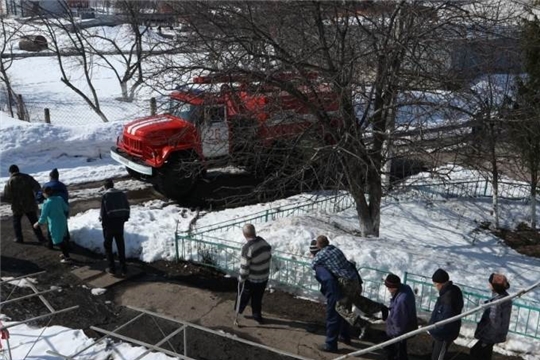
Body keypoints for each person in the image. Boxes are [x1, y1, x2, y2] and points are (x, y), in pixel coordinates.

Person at [311, 235, 387, 329]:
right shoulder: (335, 249)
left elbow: (313, 264)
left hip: (346, 282)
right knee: (357, 300)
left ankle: (361, 324)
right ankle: (380, 307)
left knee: (340, 307)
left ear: (319, 245)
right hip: (355, 279)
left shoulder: (321, 254)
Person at [310, 240, 351, 353]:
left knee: (333, 317)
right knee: (345, 312)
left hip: (337, 291)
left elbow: (328, 280)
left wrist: (336, 298)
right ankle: (344, 336)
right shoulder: (334, 255)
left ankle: (330, 344)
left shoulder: (320, 266)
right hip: (350, 286)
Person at [470, 273, 512, 360]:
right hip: (494, 335)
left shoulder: (496, 303)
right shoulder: (504, 296)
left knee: (476, 353)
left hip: (489, 336)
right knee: (485, 354)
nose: (488, 285)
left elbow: (494, 323)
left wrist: (486, 339)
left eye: (490, 283)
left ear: (494, 286)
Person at [3, 164, 47, 244]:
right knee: (34, 221)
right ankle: (41, 238)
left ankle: (19, 238)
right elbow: (37, 186)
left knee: (17, 222)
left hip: (17, 206)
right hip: (29, 204)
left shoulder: (10, 181)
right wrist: (37, 196)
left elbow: (7, 195)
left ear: (10, 172)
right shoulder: (27, 177)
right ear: (18, 170)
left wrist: (12, 201)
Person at [237, 224, 272, 324]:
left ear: (244, 234)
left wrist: (241, 279)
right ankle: (257, 316)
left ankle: (238, 310)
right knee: (257, 298)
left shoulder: (248, 248)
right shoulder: (263, 242)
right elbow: (268, 256)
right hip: (263, 277)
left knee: (244, 294)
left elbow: (244, 267)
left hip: (252, 279)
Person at [428, 268, 464, 360]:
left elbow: (445, 320)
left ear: (440, 283)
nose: (435, 286)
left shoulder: (448, 297)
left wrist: (434, 330)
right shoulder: (452, 291)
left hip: (444, 334)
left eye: (435, 284)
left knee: (438, 357)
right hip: (443, 333)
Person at [384, 274, 418, 360]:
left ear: (394, 287)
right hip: (405, 327)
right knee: (400, 351)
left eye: (388, 287)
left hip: (399, 332)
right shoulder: (405, 288)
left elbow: (399, 321)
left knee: (398, 353)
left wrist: (392, 334)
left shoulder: (401, 301)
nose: (388, 289)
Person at [100, 179, 130, 276]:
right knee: (120, 244)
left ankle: (112, 268)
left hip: (109, 224)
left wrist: (103, 224)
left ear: (105, 187)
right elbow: (127, 207)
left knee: (108, 246)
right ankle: (124, 268)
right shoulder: (122, 194)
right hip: (119, 223)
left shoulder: (105, 196)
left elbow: (103, 213)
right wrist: (124, 219)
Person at [34, 186, 71, 263]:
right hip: (62, 221)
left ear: (45, 194)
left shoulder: (47, 204)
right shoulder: (59, 199)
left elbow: (43, 216)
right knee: (63, 237)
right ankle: (65, 253)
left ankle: (67, 257)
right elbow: (66, 208)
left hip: (54, 223)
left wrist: (38, 223)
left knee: (58, 240)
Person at [39, 168, 70, 249]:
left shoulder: (46, 185)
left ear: (50, 176)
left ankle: (51, 244)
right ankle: (66, 241)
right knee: (63, 225)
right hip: (62, 207)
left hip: (51, 209)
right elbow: (66, 197)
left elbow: (40, 196)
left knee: (51, 226)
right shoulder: (62, 185)